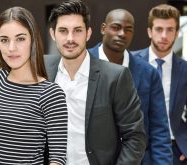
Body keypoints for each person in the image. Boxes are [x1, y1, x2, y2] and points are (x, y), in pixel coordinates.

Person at [0, 7, 68, 165]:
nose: (11, 48)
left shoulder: (51, 94)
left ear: (32, 40)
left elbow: (57, 159)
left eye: (20, 39)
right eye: (4, 40)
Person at [45, 0, 146, 164]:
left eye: (77, 30)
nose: (70, 38)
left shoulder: (115, 77)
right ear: (52, 34)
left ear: (88, 33)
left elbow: (135, 137)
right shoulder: (42, 69)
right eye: (63, 31)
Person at [88, 9, 172, 165]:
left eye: (128, 29)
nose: (122, 33)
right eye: (116, 27)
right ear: (103, 28)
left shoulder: (148, 73)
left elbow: (159, 129)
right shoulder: (82, 64)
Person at [133, 4, 187, 165]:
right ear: (149, 31)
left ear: (177, 33)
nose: (164, 35)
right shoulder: (131, 62)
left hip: (174, 149)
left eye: (170, 30)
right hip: (137, 147)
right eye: (159, 29)